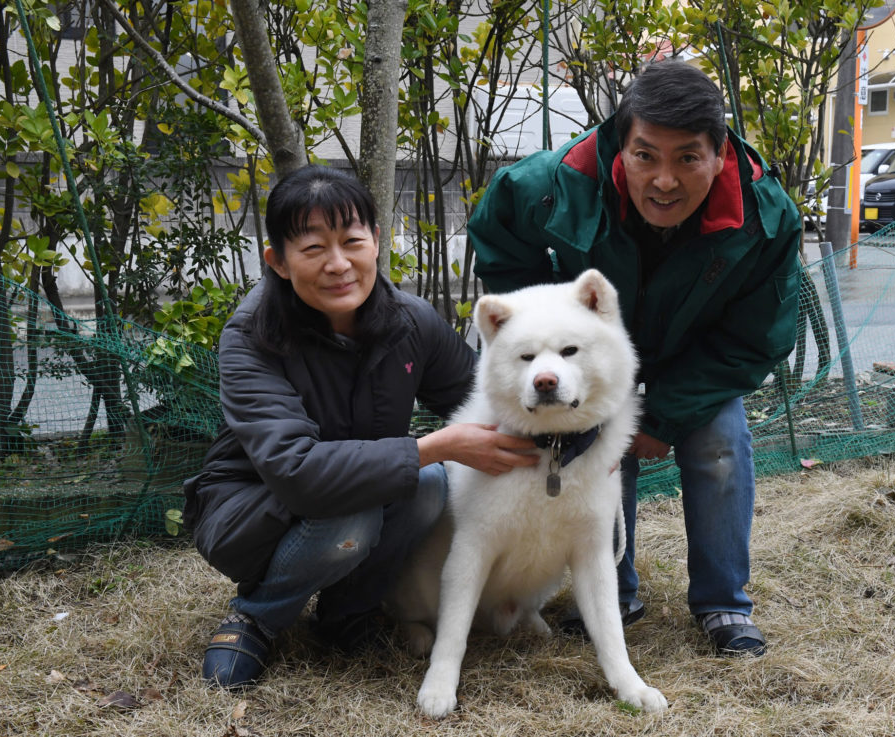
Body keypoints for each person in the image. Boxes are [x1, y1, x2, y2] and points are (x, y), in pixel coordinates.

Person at [467, 58, 802, 656]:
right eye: (646, 155)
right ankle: (614, 595)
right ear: (621, 146)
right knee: (590, 445)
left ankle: (724, 603)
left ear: (719, 154)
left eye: (687, 159)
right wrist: (546, 320)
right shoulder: (552, 184)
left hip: (694, 360)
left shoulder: (765, 219)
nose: (664, 180)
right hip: (586, 358)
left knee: (720, 443)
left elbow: (755, 339)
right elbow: (499, 239)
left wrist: (665, 416)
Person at [183, 165, 537, 689]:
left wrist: (567, 424)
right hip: (253, 506)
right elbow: (297, 471)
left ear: (376, 241)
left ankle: (348, 613)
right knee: (364, 508)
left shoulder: (410, 322)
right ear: (277, 262)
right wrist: (436, 446)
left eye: (352, 241)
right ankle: (257, 616)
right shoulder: (251, 337)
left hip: (362, 494)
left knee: (426, 486)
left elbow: (485, 399)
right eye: (313, 249)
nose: (338, 264)